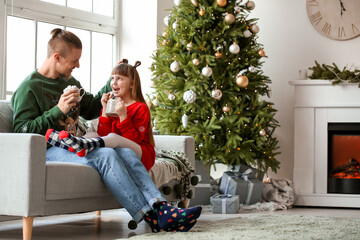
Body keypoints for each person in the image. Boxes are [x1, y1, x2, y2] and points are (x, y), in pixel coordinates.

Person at [11, 28, 201, 233]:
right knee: (106, 154)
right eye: (74, 61)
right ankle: (150, 216)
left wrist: (114, 78)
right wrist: (58, 111)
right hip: (48, 150)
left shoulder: (70, 83)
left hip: (75, 145)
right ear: (56, 57)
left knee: (126, 151)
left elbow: (93, 107)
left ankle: (161, 207)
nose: (78, 65)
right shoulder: (29, 88)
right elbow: (21, 131)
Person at [45, 59, 154, 171]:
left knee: (114, 137)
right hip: (119, 149)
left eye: (119, 78)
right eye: (112, 78)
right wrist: (105, 109)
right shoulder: (114, 104)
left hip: (141, 153)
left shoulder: (140, 107)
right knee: (92, 134)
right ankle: (69, 144)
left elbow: (133, 141)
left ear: (132, 83)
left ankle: (84, 145)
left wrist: (123, 117)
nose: (113, 83)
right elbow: (103, 134)